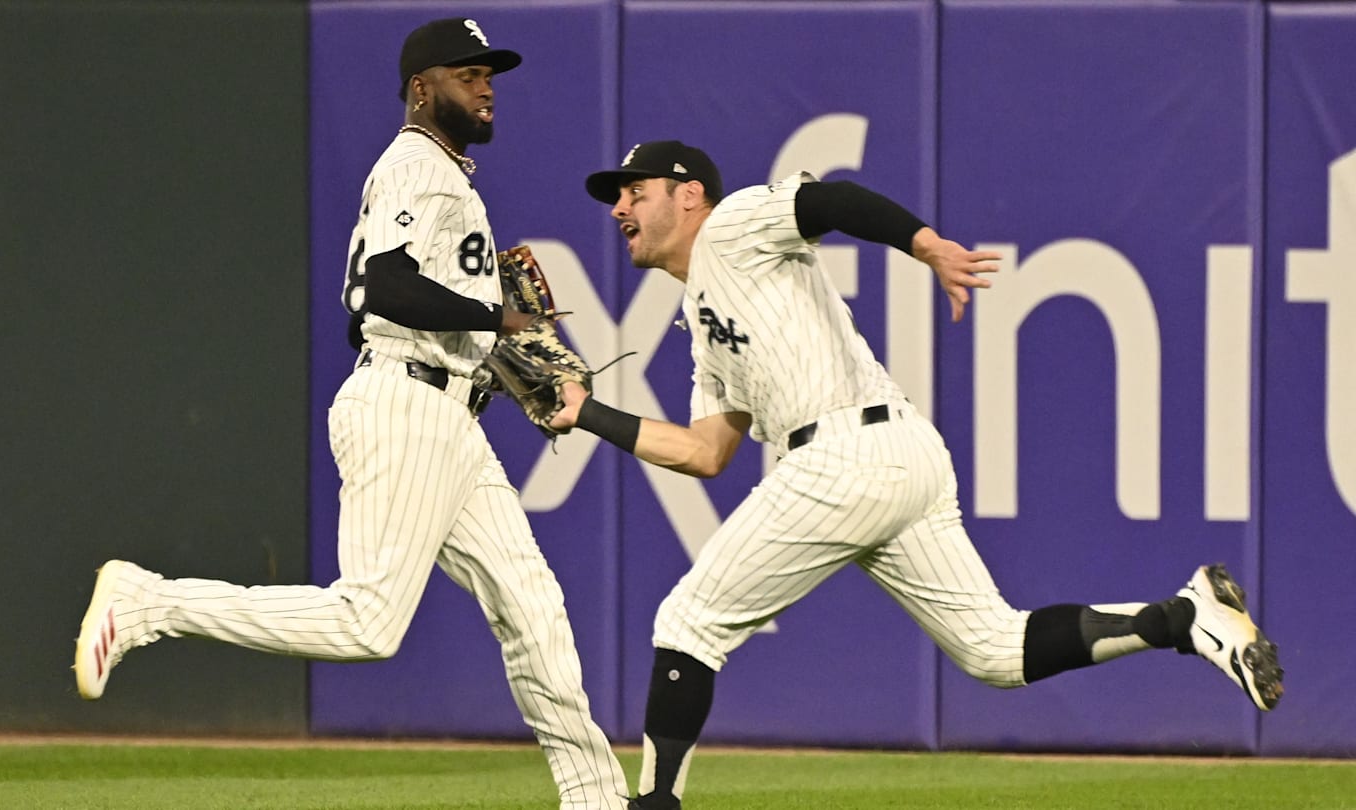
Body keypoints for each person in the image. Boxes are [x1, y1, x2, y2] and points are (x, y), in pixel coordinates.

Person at [551, 140, 1285, 810]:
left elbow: (827, 201)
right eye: (616, 197)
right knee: (995, 650)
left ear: (688, 195)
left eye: (633, 190)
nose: (619, 208)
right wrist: (586, 414)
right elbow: (705, 451)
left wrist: (927, 245)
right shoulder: (704, 322)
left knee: (687, 621)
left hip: (846, 454)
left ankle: (654, 805)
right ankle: (1181, 618)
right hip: (900, 455)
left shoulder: (734, 223)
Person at [74, 18, 629, 809]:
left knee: (534, 609)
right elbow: (380, 290)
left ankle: (598, 801)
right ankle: (147, 602)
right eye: (466, 74)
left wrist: (481, 347)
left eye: (489, 74)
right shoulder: (413, 165)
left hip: (446, 418)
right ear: (419, 89)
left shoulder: (447, 176)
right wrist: (491, 316)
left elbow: (364, 310)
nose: (485, 86)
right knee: (369, 621)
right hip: (404, 407)